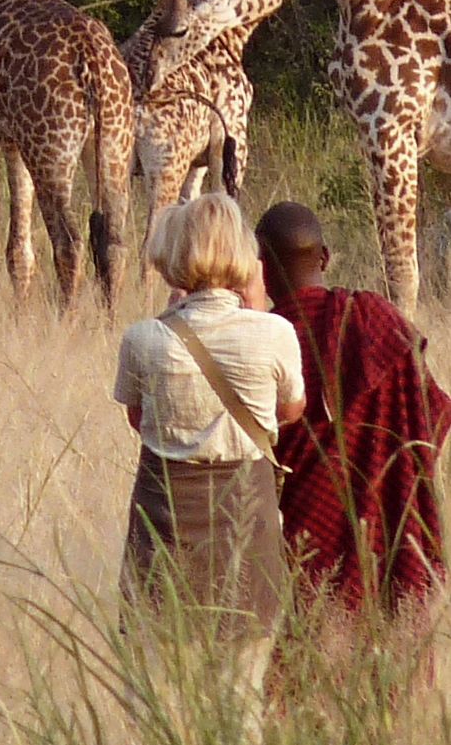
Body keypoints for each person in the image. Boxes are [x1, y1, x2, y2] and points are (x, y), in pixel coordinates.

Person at [114, 192, 305, 741]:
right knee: (241, 698)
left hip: (164, 522)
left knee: (155, 694)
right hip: (248, 518)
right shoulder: (276, 334)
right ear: (245, 257)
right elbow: (289, 411)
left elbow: (137, 417)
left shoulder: (144, 338)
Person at [257, 200, 451, 612]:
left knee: (304, 650)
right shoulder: (379, 318)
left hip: (306, 530)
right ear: (325, 258)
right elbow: (432, 414)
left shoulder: (264, 342)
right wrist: (390, 476)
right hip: (392, 522)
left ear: (261, 266)